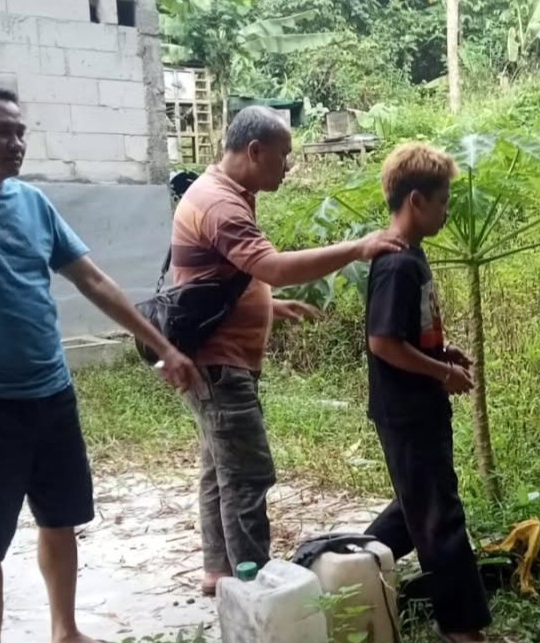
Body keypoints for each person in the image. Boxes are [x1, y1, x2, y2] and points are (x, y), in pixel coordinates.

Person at [0, 81, 201, 643]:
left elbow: (91, 278)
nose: (17, 143)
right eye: (1, 131)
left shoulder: (31, 203)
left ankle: (64, 632)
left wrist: (163, 346)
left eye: (20, 130)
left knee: (61, 518)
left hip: (51, 392)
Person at [171, 106, 405, 596]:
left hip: (214, 358)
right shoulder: (220, 203)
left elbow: (217, 279)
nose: (288, 165)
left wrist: (266, 305)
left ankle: (220, 573)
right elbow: (272, 265)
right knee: (247, 476)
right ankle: (256, 589)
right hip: (220, 366)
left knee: (219, 471)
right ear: (255, 151)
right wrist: (357, 248)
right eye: (283, 155)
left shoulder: (227, 193)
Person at [363, 142, 492, 643]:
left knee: (415, 509)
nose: (446, 211)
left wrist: (442, 349)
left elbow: (406, 334)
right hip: (407, 409)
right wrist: (440, 371)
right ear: (416, 201)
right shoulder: (397, 264)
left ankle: (346, 573)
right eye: (442, 202)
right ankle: (459, 624)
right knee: (438, 512)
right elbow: (383, 342)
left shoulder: (412, 256)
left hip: (416, 405)